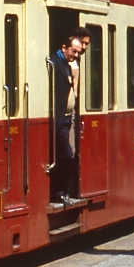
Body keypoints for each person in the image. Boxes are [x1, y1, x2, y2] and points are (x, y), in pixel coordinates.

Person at [49, 36, 82, 207]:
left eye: (78, 52)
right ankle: (59, 192)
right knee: (66, 155)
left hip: (67, 118)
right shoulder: (55, 63)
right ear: (64, 47)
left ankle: (61, 192)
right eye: (73, 51)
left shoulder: (67, 64)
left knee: (67, 155)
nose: (75, 55)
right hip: (60, 119)